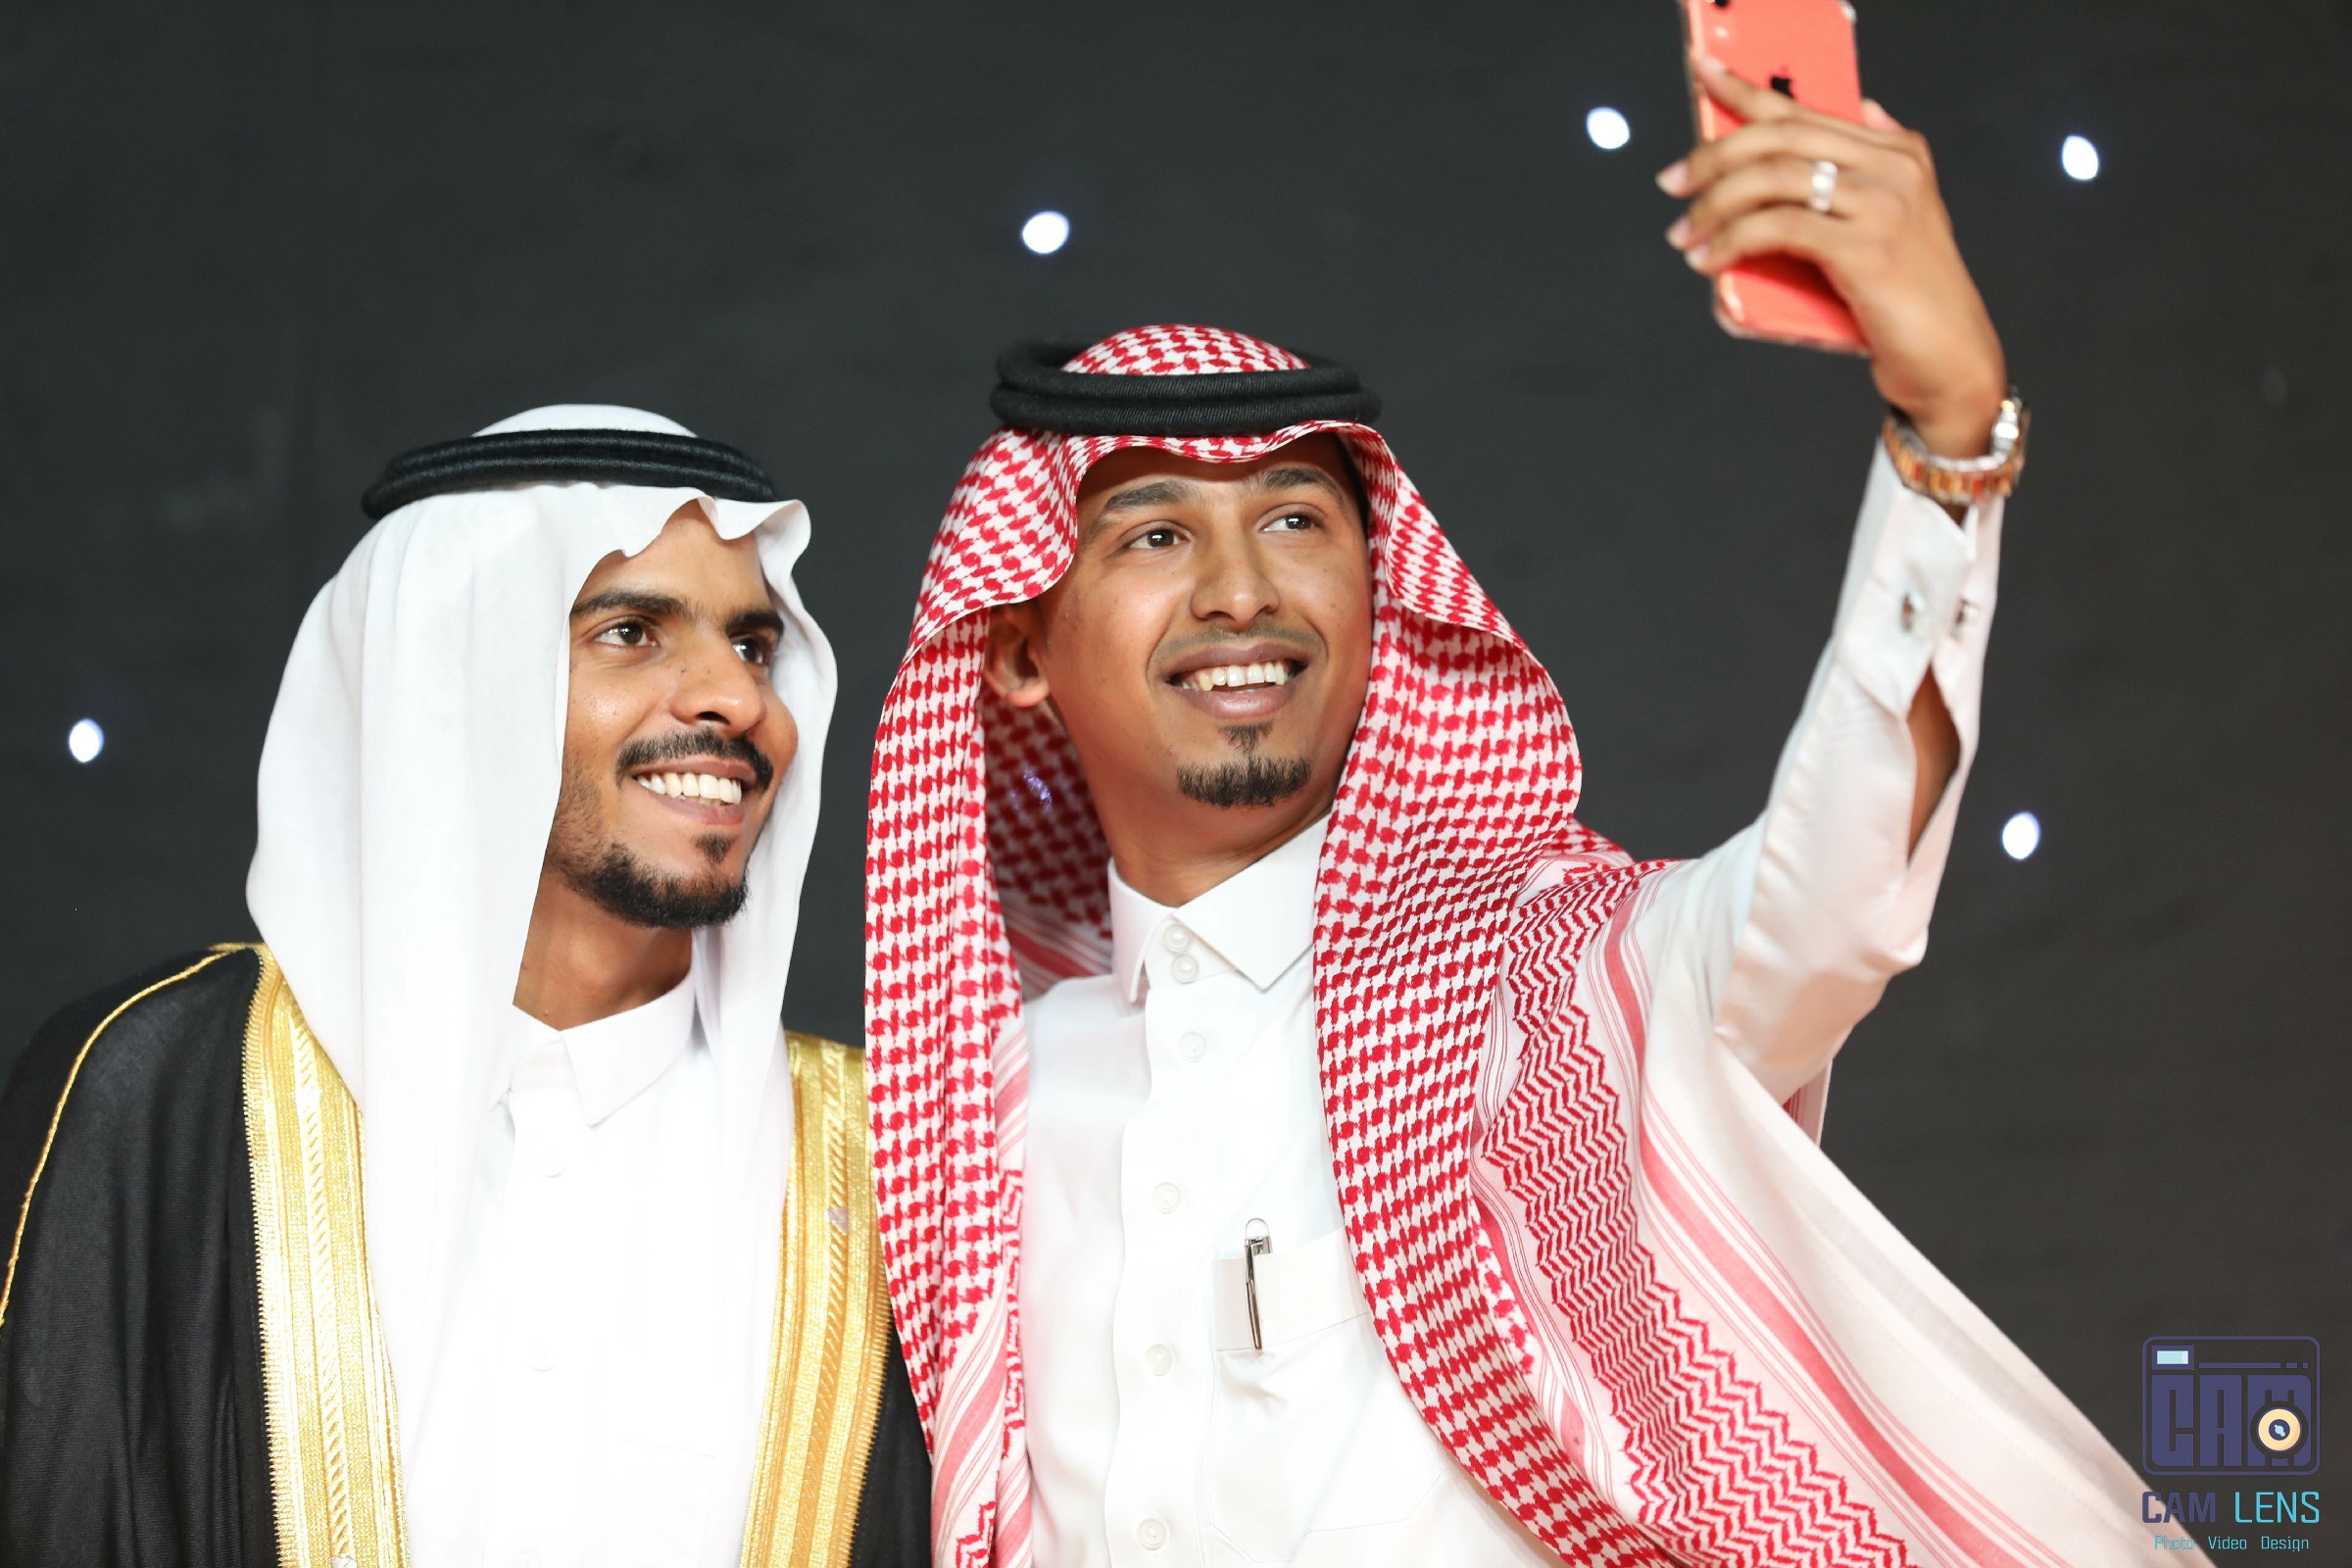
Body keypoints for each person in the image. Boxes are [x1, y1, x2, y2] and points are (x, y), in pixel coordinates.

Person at [864, 64, 2182, 1567]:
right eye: (1156, 532)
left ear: (1383, 602)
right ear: (1017, 647)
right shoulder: (983, 1110)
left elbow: (1828, 904)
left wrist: (1947, 439)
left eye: (1295, 520)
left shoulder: (1553, 986)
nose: (1240, 590)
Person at [0, 408, 927, 1566]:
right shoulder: (158, 1099)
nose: (737, 700)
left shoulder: (885, 1165)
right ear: (452, 680)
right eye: (631, 632)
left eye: (752, 645)